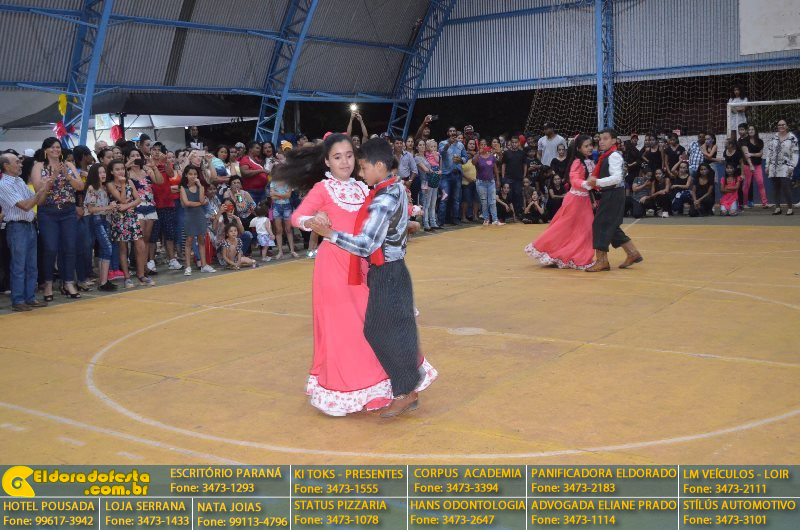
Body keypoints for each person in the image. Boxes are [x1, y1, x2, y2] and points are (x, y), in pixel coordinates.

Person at [279, 134, 435, 416]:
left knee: (371, 327)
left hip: (364, 265)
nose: (345, 162)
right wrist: (313, 220)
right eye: (337, 157)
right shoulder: (323, 189)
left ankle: (383, 388)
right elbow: (296, 217)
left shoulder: (364, 187)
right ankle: (355, 390)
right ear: (327, 161)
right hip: (334, 268)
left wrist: (407, 216)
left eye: (349, 155)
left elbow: (378, 216)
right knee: (346, 331)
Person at [525, 135, 595, 269]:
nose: (590, 148)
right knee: (564, 227)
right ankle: (553, 251)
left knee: (585, 229)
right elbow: (574, 179)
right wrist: (588, 183)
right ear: (579, 148)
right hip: (575, 201)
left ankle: (577, 255)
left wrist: (597, 184)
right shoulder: (577, 162)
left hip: (584, 200)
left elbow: (592, 181)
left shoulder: (589, 161)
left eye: (591, 145)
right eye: (586, 146)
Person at [30, 138, 85, 300]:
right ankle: (48, 283)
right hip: (48, 212)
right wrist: (53, 176)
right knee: (50, 248)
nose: (56, 150)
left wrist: (67, 176)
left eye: (58, 147)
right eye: (52, 147)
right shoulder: (39, 166)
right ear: (45, 150)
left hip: (68, 211)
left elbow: (80, 186)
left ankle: (68, 282)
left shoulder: (68, 165)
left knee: (70, 247)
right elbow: (38, 189)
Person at [585, 129, 643, 271]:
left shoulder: (614, 156)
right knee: (611, 225)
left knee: (599, 224)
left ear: (614, 140)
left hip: (613, 193)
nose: (601, 141)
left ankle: (602, 261)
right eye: (600, 139)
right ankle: (632, 253)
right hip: (613, 192)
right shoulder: (608, 155)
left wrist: (597, 182)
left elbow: (617, 178)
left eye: (605, 138)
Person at [0, 152, 51, 311]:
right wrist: (40, 191)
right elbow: (26, 205)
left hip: (28, 226)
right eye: (17, 162)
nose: (21, 164)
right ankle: (18, 300)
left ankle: (30, 298)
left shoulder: (19, 182)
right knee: (19, 265)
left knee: (31, 266)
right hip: (17, 227)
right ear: (6, 166)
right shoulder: (4, 185)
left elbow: (38, 201)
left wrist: (44, 188)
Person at [83, 163, 118, 291]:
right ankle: (103, 281)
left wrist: (110, 208)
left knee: (105, 249)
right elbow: (91, 209)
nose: (103, 174)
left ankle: (103, 281)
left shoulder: (103, 188)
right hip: (96, 219)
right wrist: (108, 207)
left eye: (104, 172)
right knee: (107, 248)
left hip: (104, 219)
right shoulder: (92, 188)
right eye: (100, 172)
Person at [180, 165, 216, 275]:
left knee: (201, 240)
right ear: (186, 175)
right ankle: (188, 267)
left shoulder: (201, 187)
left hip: (200, 216)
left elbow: (201, 198)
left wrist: (200, 186)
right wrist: (200, 203)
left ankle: (204, 265)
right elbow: (187, 203)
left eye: (195, 174)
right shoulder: (183, 188)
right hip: (189, 217)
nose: (193, 176)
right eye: (190, 174)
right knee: (189, 241)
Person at [766, 119, 799, 215]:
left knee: (786, 187)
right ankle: (777, 208)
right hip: (773, 166)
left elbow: (795, 153)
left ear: (787, 126)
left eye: (783, 124)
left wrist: (792, 166)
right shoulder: (774, 137)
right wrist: (767, 165)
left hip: (786, 166)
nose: (781, 126)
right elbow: (769, 152)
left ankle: (790, 208)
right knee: (775, 187)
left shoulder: (792, 138)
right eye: (779, 125)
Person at [437, 126, 468, 225]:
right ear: (448, 133)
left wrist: (461, 160)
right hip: (446, 175)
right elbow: (441, 153)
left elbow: (465, 157)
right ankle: (441, 220)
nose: (452, 132)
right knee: (444, 198)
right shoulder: (443, 143)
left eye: (454, 131)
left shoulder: (460, 145)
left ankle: (455, 219)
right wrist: (449, 144)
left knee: (456, 199)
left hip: (457, 174)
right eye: (450, 131)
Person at [473, 144, 501, 225]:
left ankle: (495, 220)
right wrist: (478, 153)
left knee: (492, 201)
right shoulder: (477, 156)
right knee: (484, 202)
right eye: (481, 145)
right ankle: (486, 219)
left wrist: (498, 180)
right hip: (481, 183)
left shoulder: (492, 157)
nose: (483, 147)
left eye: (485, 145)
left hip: (491, 182)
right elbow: (473, 162)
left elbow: (495, 169)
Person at [741, 125, 768, 208]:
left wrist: (751, 154)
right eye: (749, 129)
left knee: (760, 183)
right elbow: (746, 154)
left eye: (752, 129)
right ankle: (744, 203)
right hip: (747, 165)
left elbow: (760, 154)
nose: (751, 131)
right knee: (747, 185)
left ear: (755, 131)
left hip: (758, 165)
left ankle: (765, 203)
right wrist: (751, 165)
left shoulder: (760, 141)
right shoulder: (744, 141)